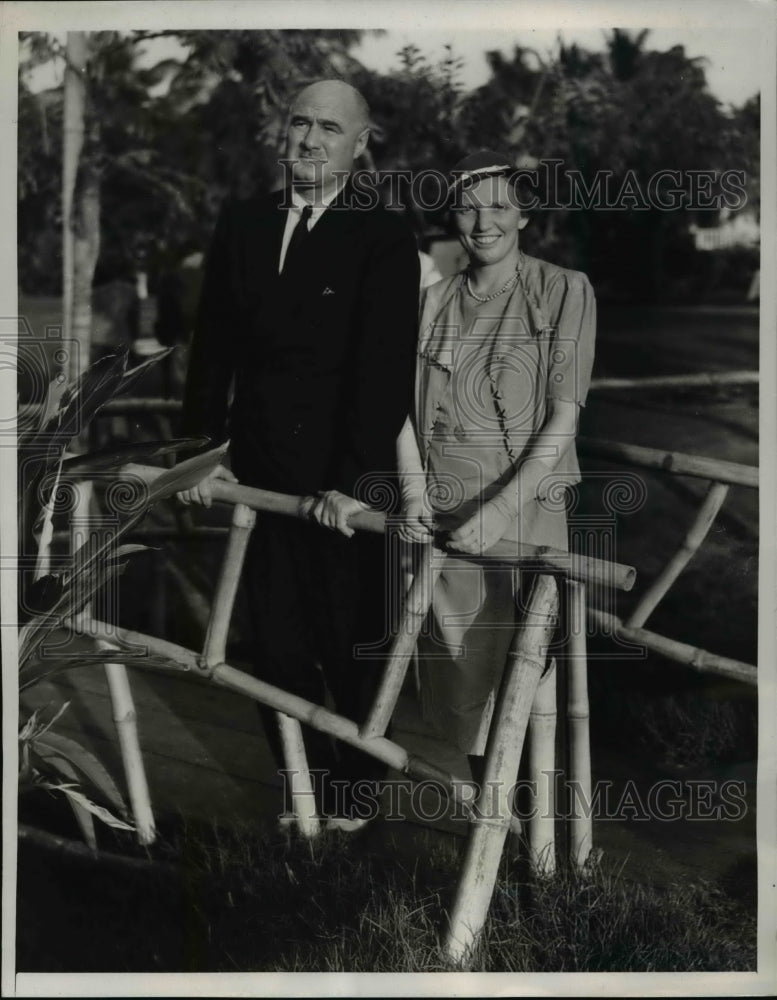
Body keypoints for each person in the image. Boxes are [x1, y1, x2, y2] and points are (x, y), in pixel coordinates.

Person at [177, 79, 421, 828]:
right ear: (283, 133)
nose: (309, 140)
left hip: (341, 483)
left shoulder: (381, 236)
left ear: (359, 143)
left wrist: (350, 486)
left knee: (350, 646)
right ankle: (302, 789)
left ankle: (354, 799)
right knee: (271, 645)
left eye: (328, 128)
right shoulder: (244, 222)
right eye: (299, 123)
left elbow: (382, 376)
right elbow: (212, 349)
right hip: (256, 474)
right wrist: (197, 456)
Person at [397, 150, 596, 784]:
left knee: (525, 665)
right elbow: (398, 410)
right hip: (447, 514)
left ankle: (532, 850)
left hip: (524, 508)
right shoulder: (430, 303)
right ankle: (496, 836)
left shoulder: (563, 290)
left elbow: (564, 415)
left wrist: (501, 511)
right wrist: (412, 494)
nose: (482, 223)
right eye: (467, 207)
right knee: (461, 674)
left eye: (499, 207)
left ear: (524, 215)